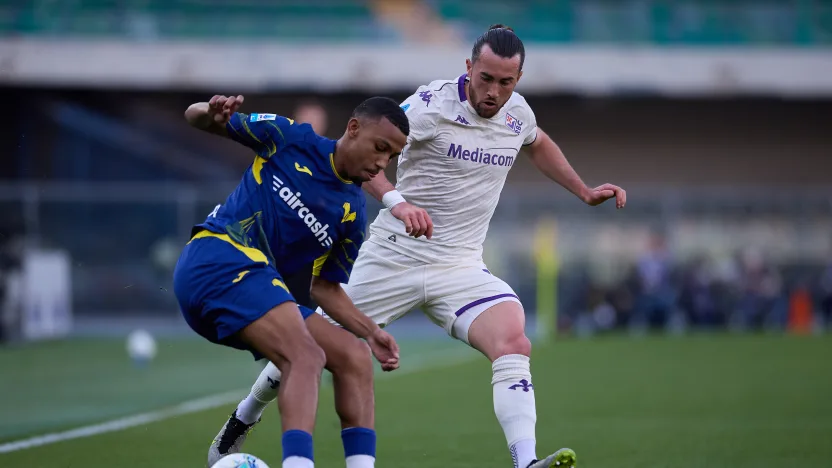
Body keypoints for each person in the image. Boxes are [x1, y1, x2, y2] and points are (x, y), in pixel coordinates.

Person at [212, 24, 627, 468]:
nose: (493, 91)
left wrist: (583, 191)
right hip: (393, 257)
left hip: (459, 266)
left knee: (513, 340)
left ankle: (525, 462)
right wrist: (398, 202)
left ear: (518, 79)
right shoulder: (431, 105)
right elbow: (364, 156)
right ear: (469, 66)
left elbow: (537, 142)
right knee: (304, 343)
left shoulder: (518, 114)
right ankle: (244, 416)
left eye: (506, 82)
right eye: (485, 78)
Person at [174, 94, 407, 468]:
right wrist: (209, 112)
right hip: (215, 260)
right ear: (353, 128)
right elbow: (195, 116)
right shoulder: (290, 137)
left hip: (253, 289)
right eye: (380, 148)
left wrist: (370, 332)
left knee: (354, 357)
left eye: (391, 156)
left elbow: (324, 288)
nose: (383, 162)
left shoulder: (352, 213)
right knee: (306, 356)